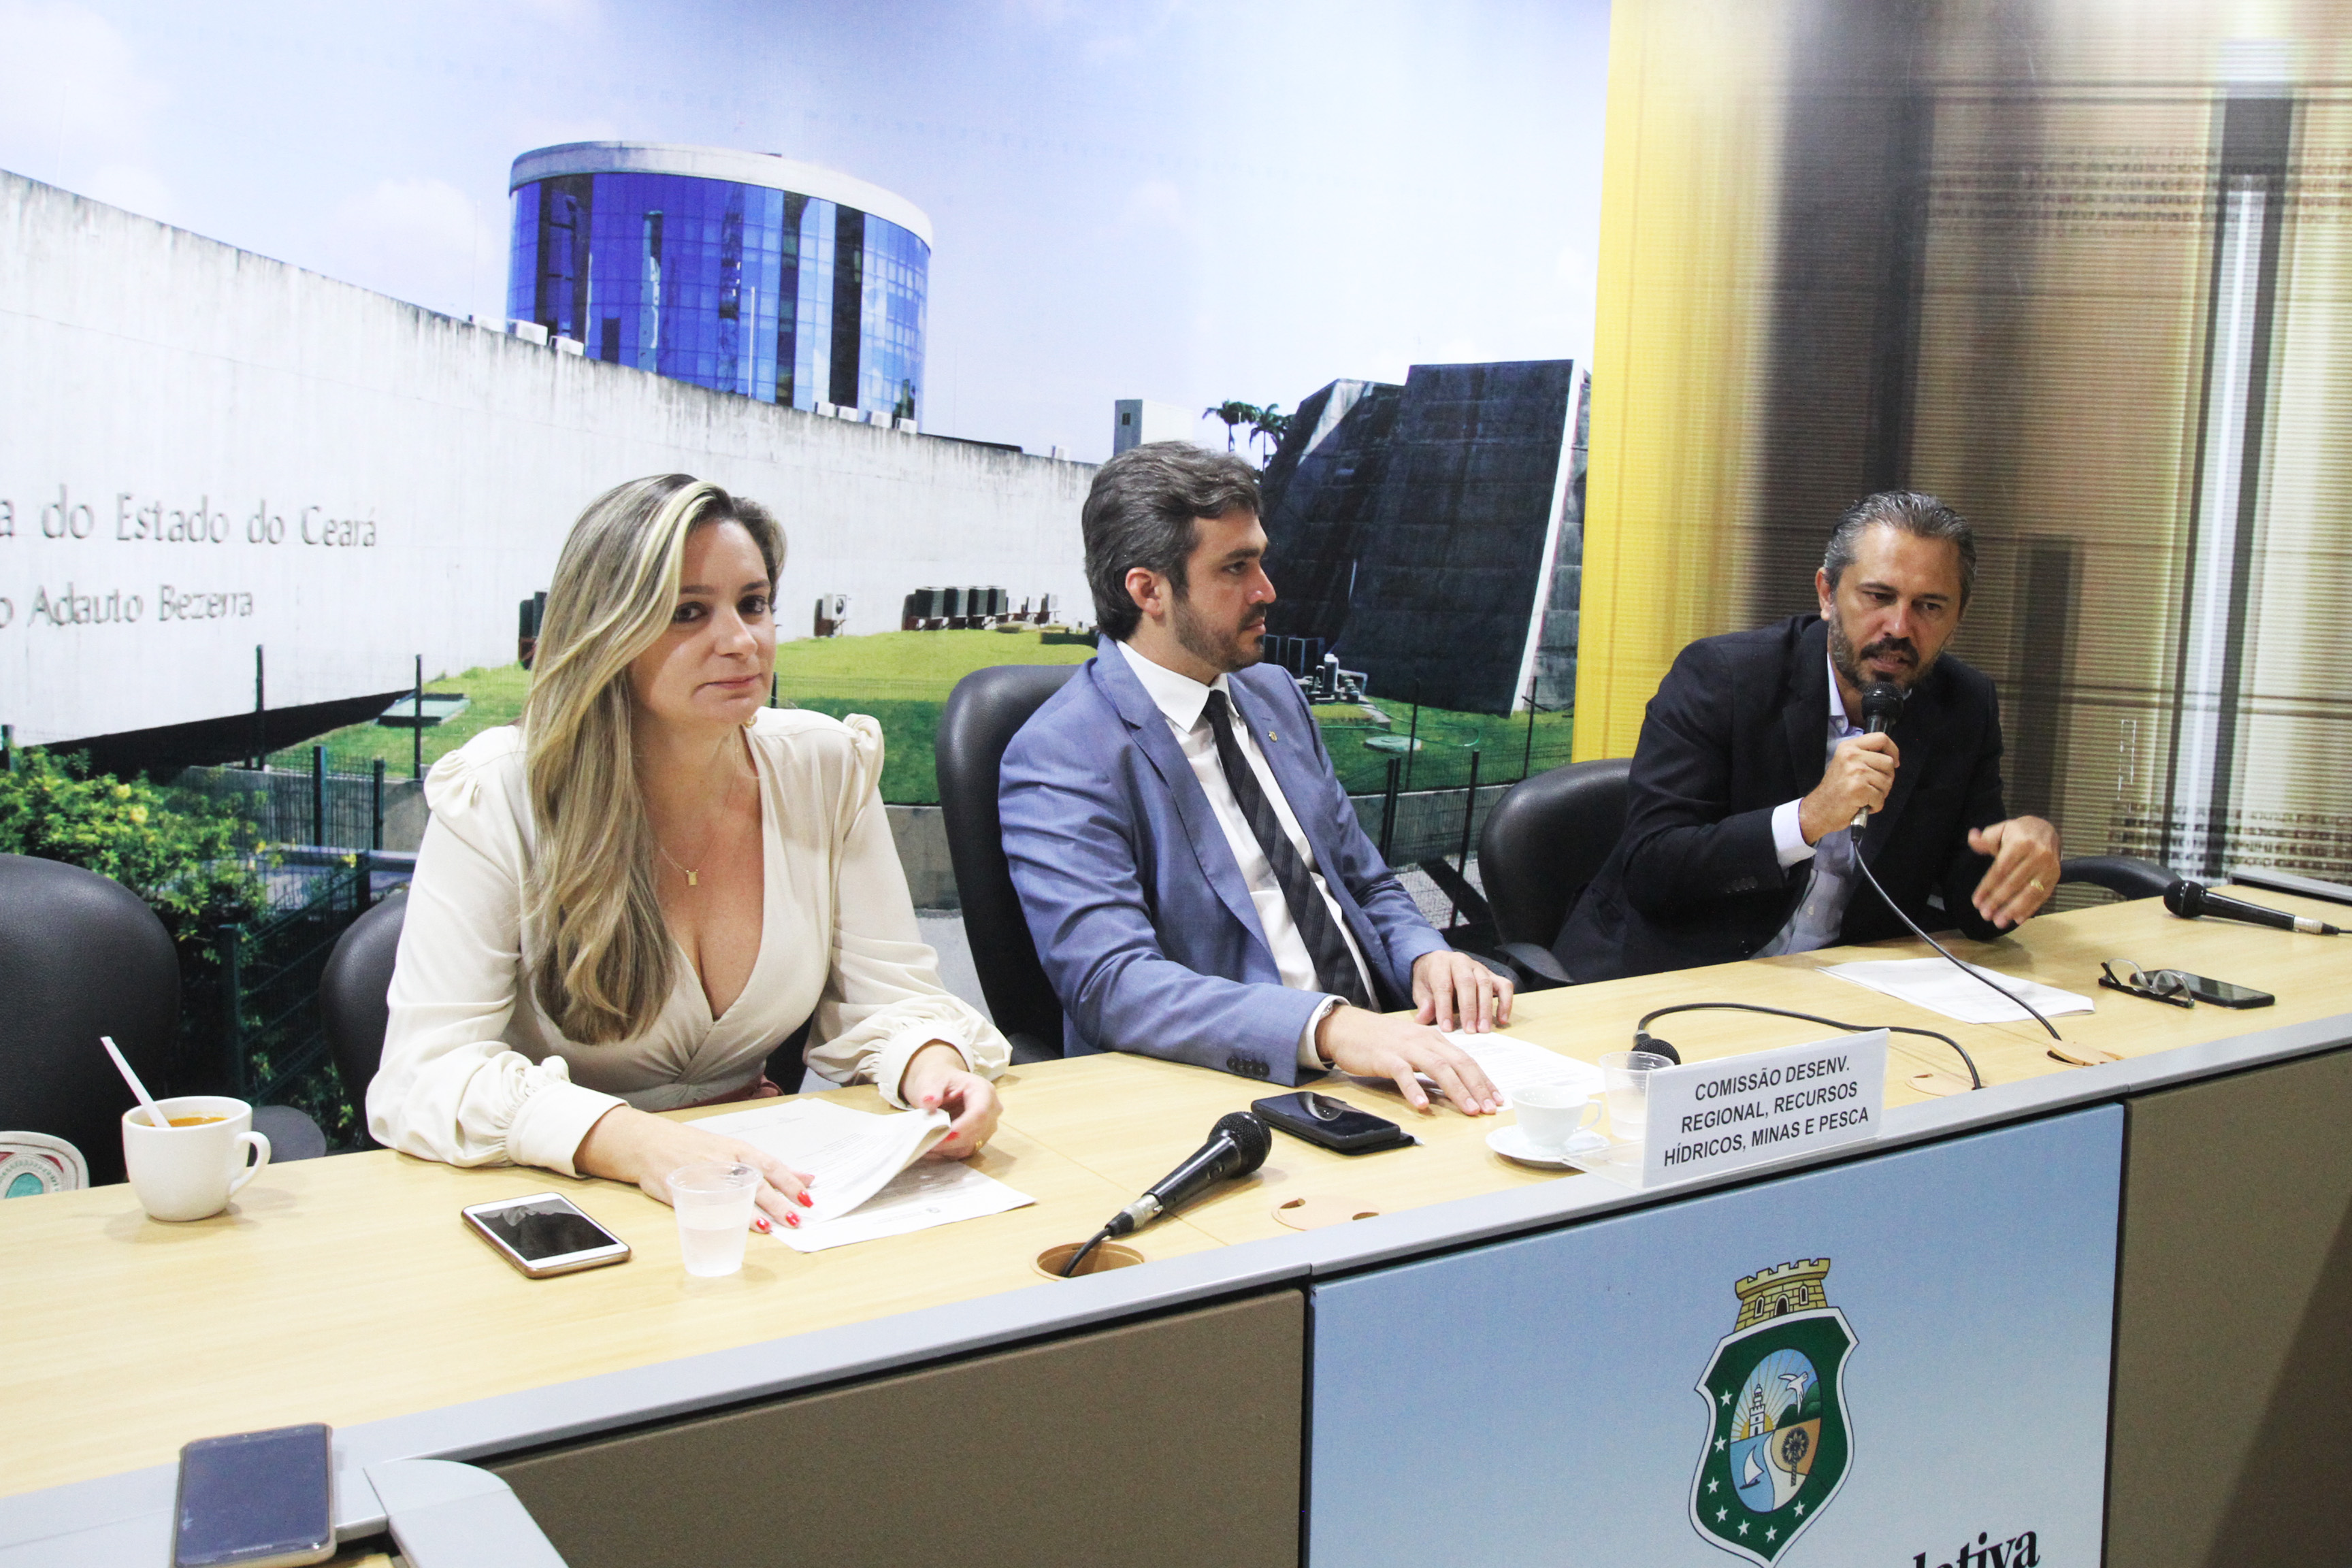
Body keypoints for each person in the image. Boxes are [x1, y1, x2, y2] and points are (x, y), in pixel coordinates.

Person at [370, 475, 1008, 1232]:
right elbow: (423, 1075)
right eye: (688, 612)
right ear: (607, 632)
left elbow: (890, 996)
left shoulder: (826, 767)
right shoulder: (499, 793)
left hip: (747, 1195)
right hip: (554, 1199)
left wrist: (935, 1068)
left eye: (754, 604)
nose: (741, 641)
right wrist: (641, 1145)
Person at [999, 442, 1509, 1117]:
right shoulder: (1062, 753)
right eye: (1236, 568)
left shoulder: (1275, 696)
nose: (1267, 589)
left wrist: (1425, 958)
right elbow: (1113, 984)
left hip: (1388, 1053)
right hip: (1234, 1094)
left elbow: (1365, 882)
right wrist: (1326, 1028)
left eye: (1260, 560)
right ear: (1148, 591)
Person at [1551, 490, 2061, 983]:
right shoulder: (1722, 678)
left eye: (1929, 606)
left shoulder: (1963, 705)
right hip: (1669, 976)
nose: (1899, 627)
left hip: (1837, 992)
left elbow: (1977, 911)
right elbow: (1652, 869)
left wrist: (2026, 858)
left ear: (1958, 618)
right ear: (1827, 594)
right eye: (1879, 596)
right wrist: (1808, 819)